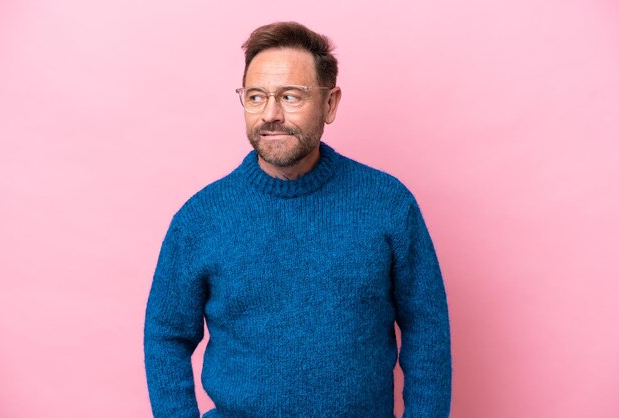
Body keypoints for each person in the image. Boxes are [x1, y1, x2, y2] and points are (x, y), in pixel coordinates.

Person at [144, 21, 452, 418]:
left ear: (330, 103)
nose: (270, 114)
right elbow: (166, 335)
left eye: (291, 96)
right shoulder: (201, 218)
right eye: (255, 97)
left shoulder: (388, 204)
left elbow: (426, 327)